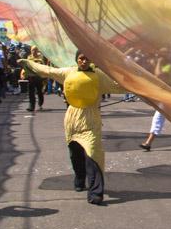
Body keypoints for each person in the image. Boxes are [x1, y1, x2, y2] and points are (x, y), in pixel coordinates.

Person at [18, 51, 127, 205]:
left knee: (94, 154)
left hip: (91, 120)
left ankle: (95, 192)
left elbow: (119, 86)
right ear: (77, 59)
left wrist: (146, 87)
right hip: (72, 119)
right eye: (81, 58)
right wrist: (28, 63)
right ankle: (80, 179)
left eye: (87, 58)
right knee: (75, 154)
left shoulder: (99, 75)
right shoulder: (68, 72)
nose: (84, 61)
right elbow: (49, 71)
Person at [21, 46, 46, 112]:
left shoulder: (40, 58)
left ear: (37, 51)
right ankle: (31, 106)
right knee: (31, 92)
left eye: (35, 50)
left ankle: (40, 103)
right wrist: (23, 74)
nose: (34, 51)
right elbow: (26, 67)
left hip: (38, 77)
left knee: (39, 91)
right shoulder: (29, 58)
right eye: (33, 50)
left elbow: (43, 67)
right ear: (31, 51)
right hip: (31, 77)